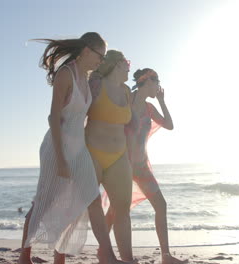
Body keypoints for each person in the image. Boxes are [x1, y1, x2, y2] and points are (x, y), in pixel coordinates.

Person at [18, 33, 127, 264]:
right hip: (57, 148)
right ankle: (23, 256)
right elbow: (53, 118)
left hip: (79, 150)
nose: (101, 60)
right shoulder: (65, 74)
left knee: (91, 200)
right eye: (100, 55)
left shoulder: (86, 78)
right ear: (87, 50)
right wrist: (60, 159)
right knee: (44, 202)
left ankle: (106, 255)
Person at [126, 68, 187, 264]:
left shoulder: (149, 108)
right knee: (117, 211)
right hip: (123, 166)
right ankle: (105, 252)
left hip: (141, 167)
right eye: (157, 82)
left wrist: (161, 101)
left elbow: (169, 125)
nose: (159, 86)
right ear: (148, 82)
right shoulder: (127, 99)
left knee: (161, 205)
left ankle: (166, 256)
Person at [86, 50, 135, 262]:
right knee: (93, 203)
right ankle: (107, 254)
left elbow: (131, 124)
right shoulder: (96, 85)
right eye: (127, 63)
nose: (129, 67)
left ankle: (127, 258)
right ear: (117, 64)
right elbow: (76, 112)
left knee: (122, 209)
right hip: (92, 152)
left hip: (119, 156)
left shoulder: (126, 91)